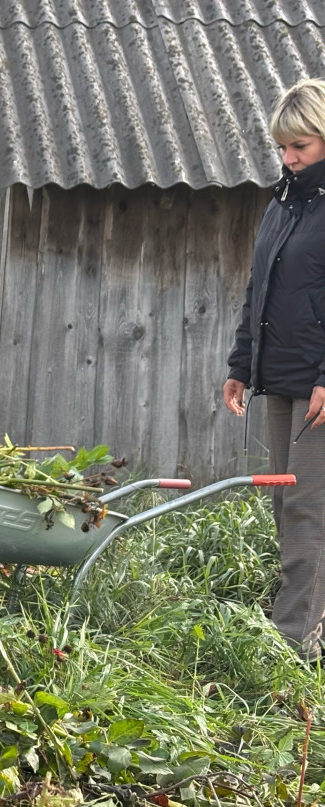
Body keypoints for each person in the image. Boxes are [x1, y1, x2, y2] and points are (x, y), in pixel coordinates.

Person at [224, 78, 325, 663]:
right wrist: (242, 363)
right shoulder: (283, 202)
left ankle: (294, 649)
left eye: (301, 147)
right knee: (285, 507)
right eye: (283, 148)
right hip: (282, 375)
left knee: (310, 507)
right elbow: (258, 287)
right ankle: (306, 631)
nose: (288, 158)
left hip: (318, 382)